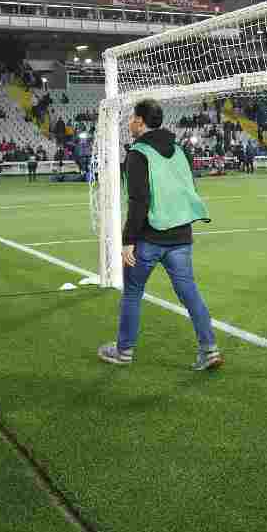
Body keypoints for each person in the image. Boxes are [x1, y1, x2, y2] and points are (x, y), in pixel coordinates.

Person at [98, 100, 223, 371]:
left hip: (149, 237)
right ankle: (209, 349)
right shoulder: (179, 150)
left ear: (140, 121)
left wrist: (128, 241)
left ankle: (124, 351)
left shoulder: (138, 154)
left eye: (132, 118)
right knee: (190, 293)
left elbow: (139, 201)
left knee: (133, 292)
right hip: (181, 234)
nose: (129, 122)